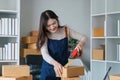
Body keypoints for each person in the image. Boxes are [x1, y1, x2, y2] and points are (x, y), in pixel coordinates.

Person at [37, 10, 87, 80]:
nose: (52, 27)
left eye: (54, 23)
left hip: (63, 71)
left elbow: (83, 38)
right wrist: (55, 64)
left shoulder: (66, 30)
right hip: (49, 71)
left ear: (57, 20)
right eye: (48, 26)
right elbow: (45, 54)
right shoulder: (44, 35)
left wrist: (80, 45)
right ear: (44, 26)